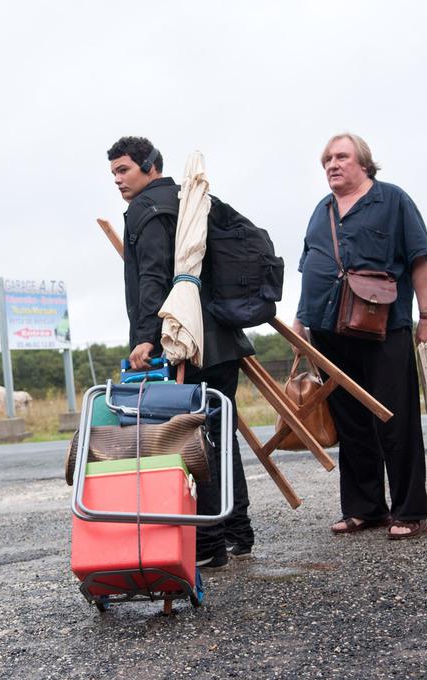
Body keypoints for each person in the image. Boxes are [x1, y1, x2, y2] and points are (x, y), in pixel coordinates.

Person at [107, 135, 255, 567]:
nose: (117, 180)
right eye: (114, 172)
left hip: (184, 340)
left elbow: (153, 275)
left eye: (124, 170)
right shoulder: (191, 197)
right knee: (219, 434)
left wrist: (145, 336)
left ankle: (208, 546)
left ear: (151, 165)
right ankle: (237, 533)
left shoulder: (147, 209)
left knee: (191, 439)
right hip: (222, 338)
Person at [293, 132, 427, 540]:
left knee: (396, 420)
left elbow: (421, 262)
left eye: (341, 157)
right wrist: (300, 321)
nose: (332, 165)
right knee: (351, 422)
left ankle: (410, 511)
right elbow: (311, 269)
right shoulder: (320, 211)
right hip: (327, 331)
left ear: (364, 162)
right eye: (326, 159)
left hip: (383, 329)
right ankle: (365, 509)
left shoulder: (393, 200)